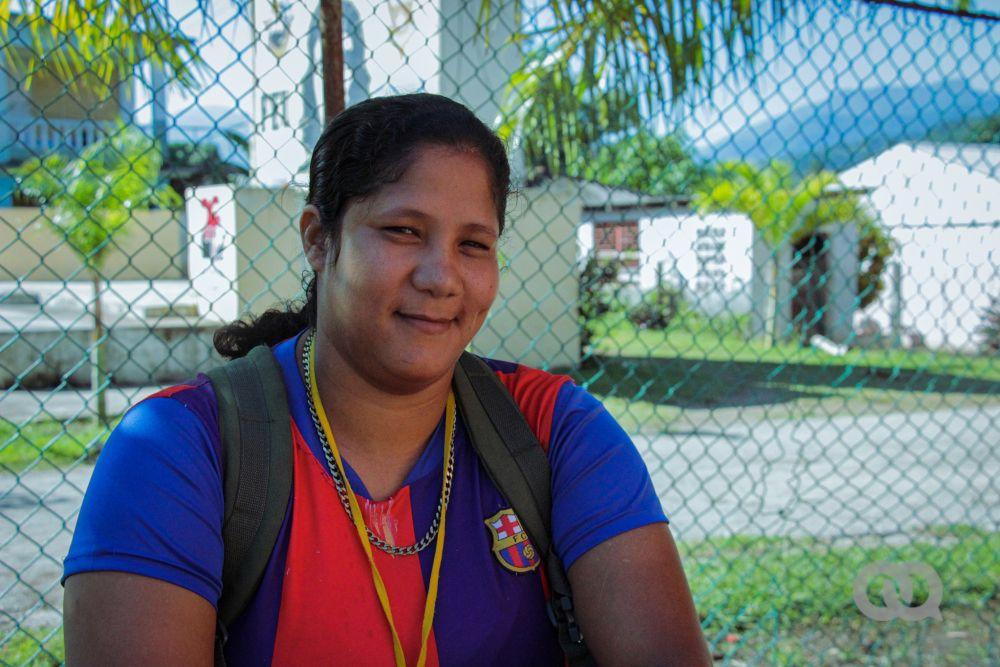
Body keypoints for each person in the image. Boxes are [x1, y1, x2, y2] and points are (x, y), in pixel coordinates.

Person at [62, 94, 711, 666]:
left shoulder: (557, 429)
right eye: (404, 231)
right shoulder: (179, 451)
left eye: (474, 244)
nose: (441, 275)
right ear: (319, 240)